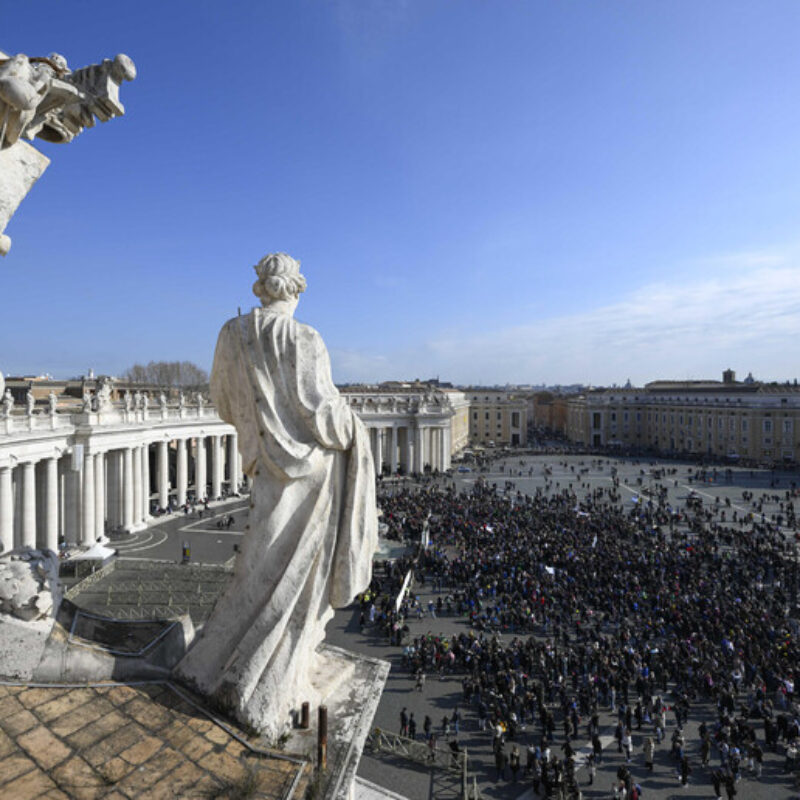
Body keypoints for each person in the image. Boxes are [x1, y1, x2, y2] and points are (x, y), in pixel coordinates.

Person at [176, 253, 377, 738]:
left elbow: (223, 399)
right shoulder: (305, 339)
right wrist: (355, 426)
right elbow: (323, 414)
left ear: (260, 289)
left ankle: (216, 664)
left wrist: (258, 425)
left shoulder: (231, 334)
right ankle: (273, 676)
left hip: (265, 463)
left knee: (258, 565)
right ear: (297, 290)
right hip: (313, 476)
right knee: (295, 580)